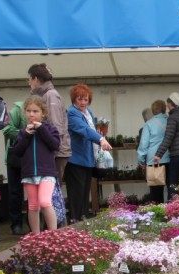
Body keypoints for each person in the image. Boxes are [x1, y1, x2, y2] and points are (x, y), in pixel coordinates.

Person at [11, 95, 60, 233]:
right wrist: (26, 135)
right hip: (29, 173)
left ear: (43, 113)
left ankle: (53, 235)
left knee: (44, 202)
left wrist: (41, 129)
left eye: (35, 111)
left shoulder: (50, 128)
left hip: (47, 173)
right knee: (33, 206)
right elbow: (17, 151)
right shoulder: (22, 132)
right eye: (28, 111)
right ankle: (36, 238)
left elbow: (55, 145)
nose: (31, 114)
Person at [66, 83, 112, 223]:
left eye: (85, 99)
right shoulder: (72, 113)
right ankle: (75, 219)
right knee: (76, 192)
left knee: (85, 191)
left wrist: (100, 132)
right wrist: (100, 139)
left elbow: (91, 128)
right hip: (75, 158)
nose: (83, 102)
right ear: (74, 99)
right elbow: (84, 129)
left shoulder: (89, 112)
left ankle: (83, 217)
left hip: (87, 158)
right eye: (80, 99)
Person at [27, 64, 71, 187]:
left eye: (29, 79)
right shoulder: (45, 94)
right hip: (52, 150)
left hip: (56, 151)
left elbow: (56, 126)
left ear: (35, 79)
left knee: (52, 191)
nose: (29, 82)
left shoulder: (50, 95)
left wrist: (53, 147)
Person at [3, 101, 28, 235]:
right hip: (16, 158)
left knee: (33, 192)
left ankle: (32, 222)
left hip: (33, 158)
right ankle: (16, 224)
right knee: (15, 192)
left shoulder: (44, 108)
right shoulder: (18, 110)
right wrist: (25, 133)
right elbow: (7, 128)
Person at [138, 100, 170, 204]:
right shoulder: (171, 121)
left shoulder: (149, 124)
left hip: (154, 160)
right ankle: (173, 213)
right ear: (164, 108)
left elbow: (144, 145)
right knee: (172, 188)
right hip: (170, 158)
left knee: (156, 191)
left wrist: (141, 160)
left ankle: (157, 213)